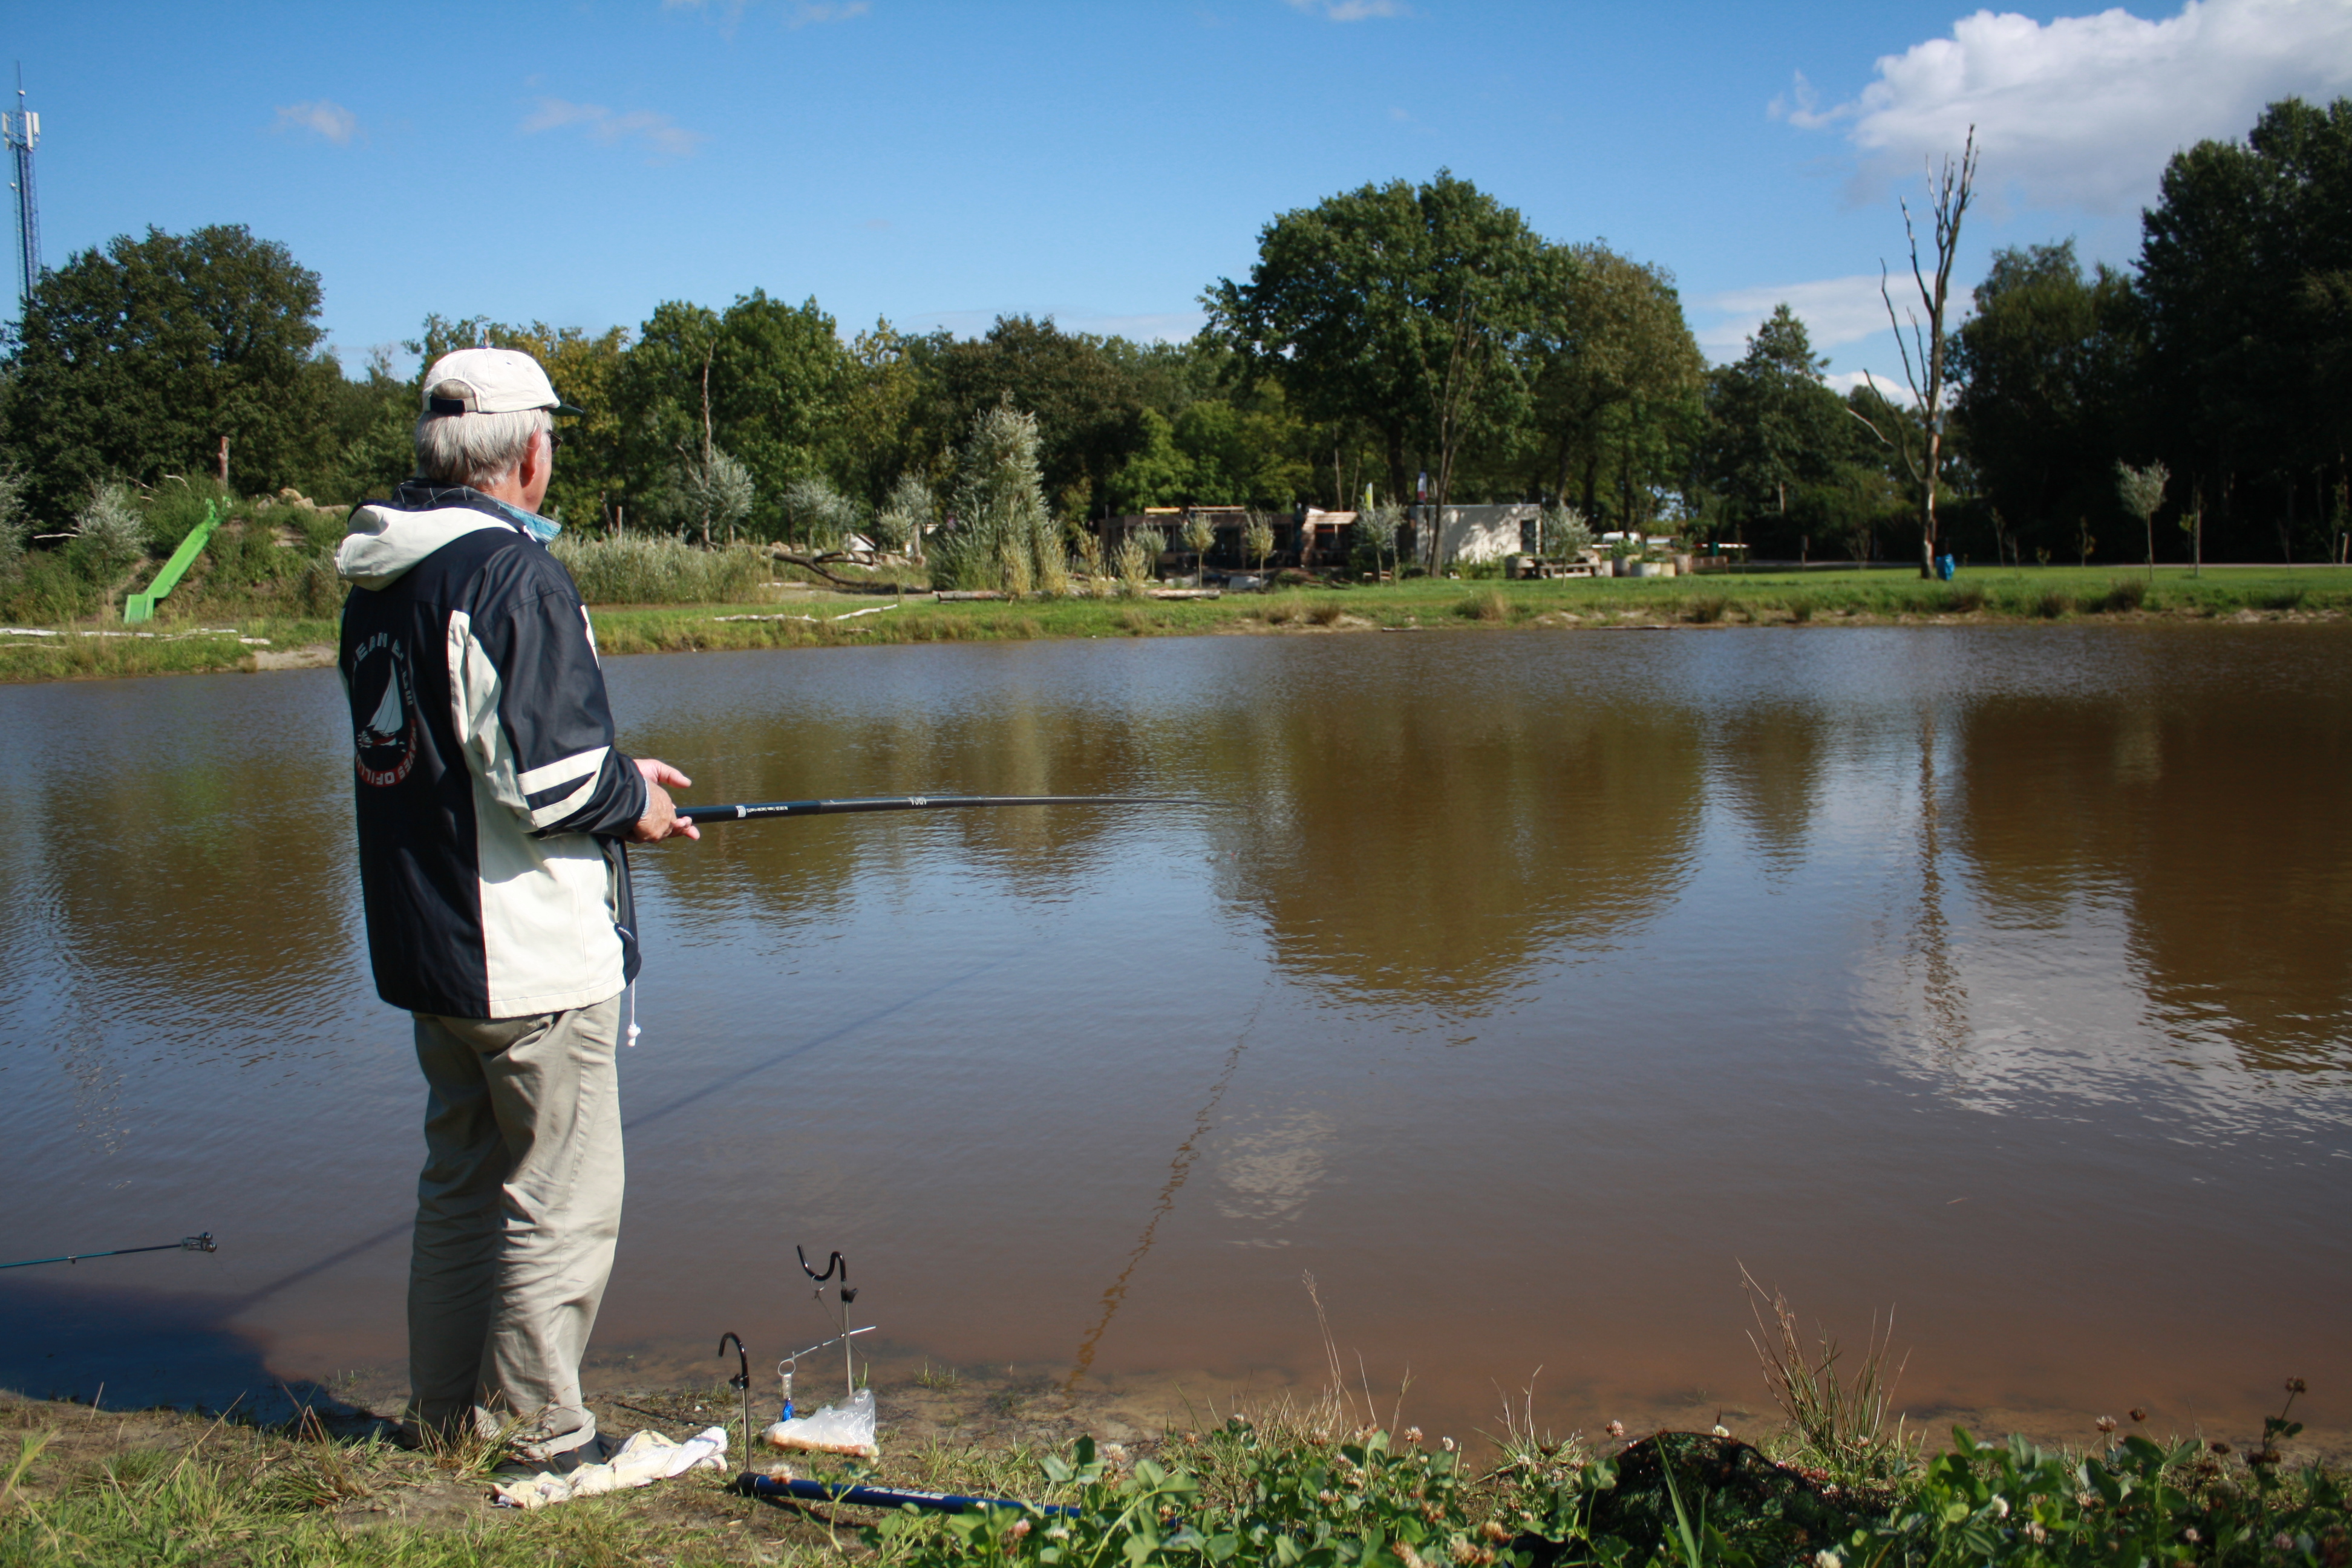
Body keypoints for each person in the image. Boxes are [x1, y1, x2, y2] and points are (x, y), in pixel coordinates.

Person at [335, 347, 699, 1473]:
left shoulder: (383, 574)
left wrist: (606, 771)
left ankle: (447, 1421)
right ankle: (546, 1439)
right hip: (527, 957)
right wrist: (630, 797)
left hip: (428, 953)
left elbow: (462, 749)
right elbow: (550, 787)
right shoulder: (512, 575)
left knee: (459, 1188)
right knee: (560, 1201)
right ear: (530, 452)